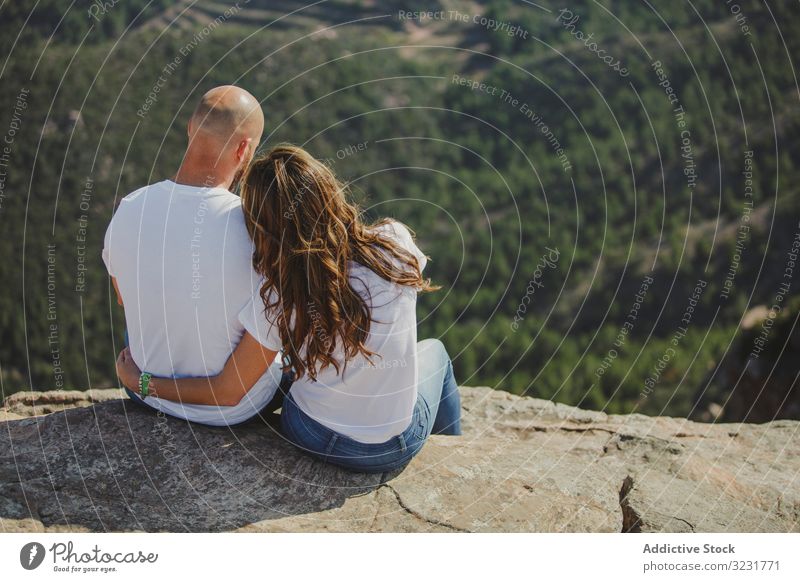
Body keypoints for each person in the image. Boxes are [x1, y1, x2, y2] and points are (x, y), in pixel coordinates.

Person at [116, 144, 462, 472]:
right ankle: (458, 457)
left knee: (286, 371)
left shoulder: (280, 296)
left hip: (312, 435)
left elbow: (228, 390)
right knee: (436, 352)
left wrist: (143, 382)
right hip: (392, 447)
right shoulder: (394, 243)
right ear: (331, 193)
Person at [103, 85, 288, 426]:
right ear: (245, 149)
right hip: (233, 410)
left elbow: (125, 298)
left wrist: (141, 383)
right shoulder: (257, 229)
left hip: (144, 390)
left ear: (190, 128)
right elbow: (231, 391)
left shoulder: (129, 208)